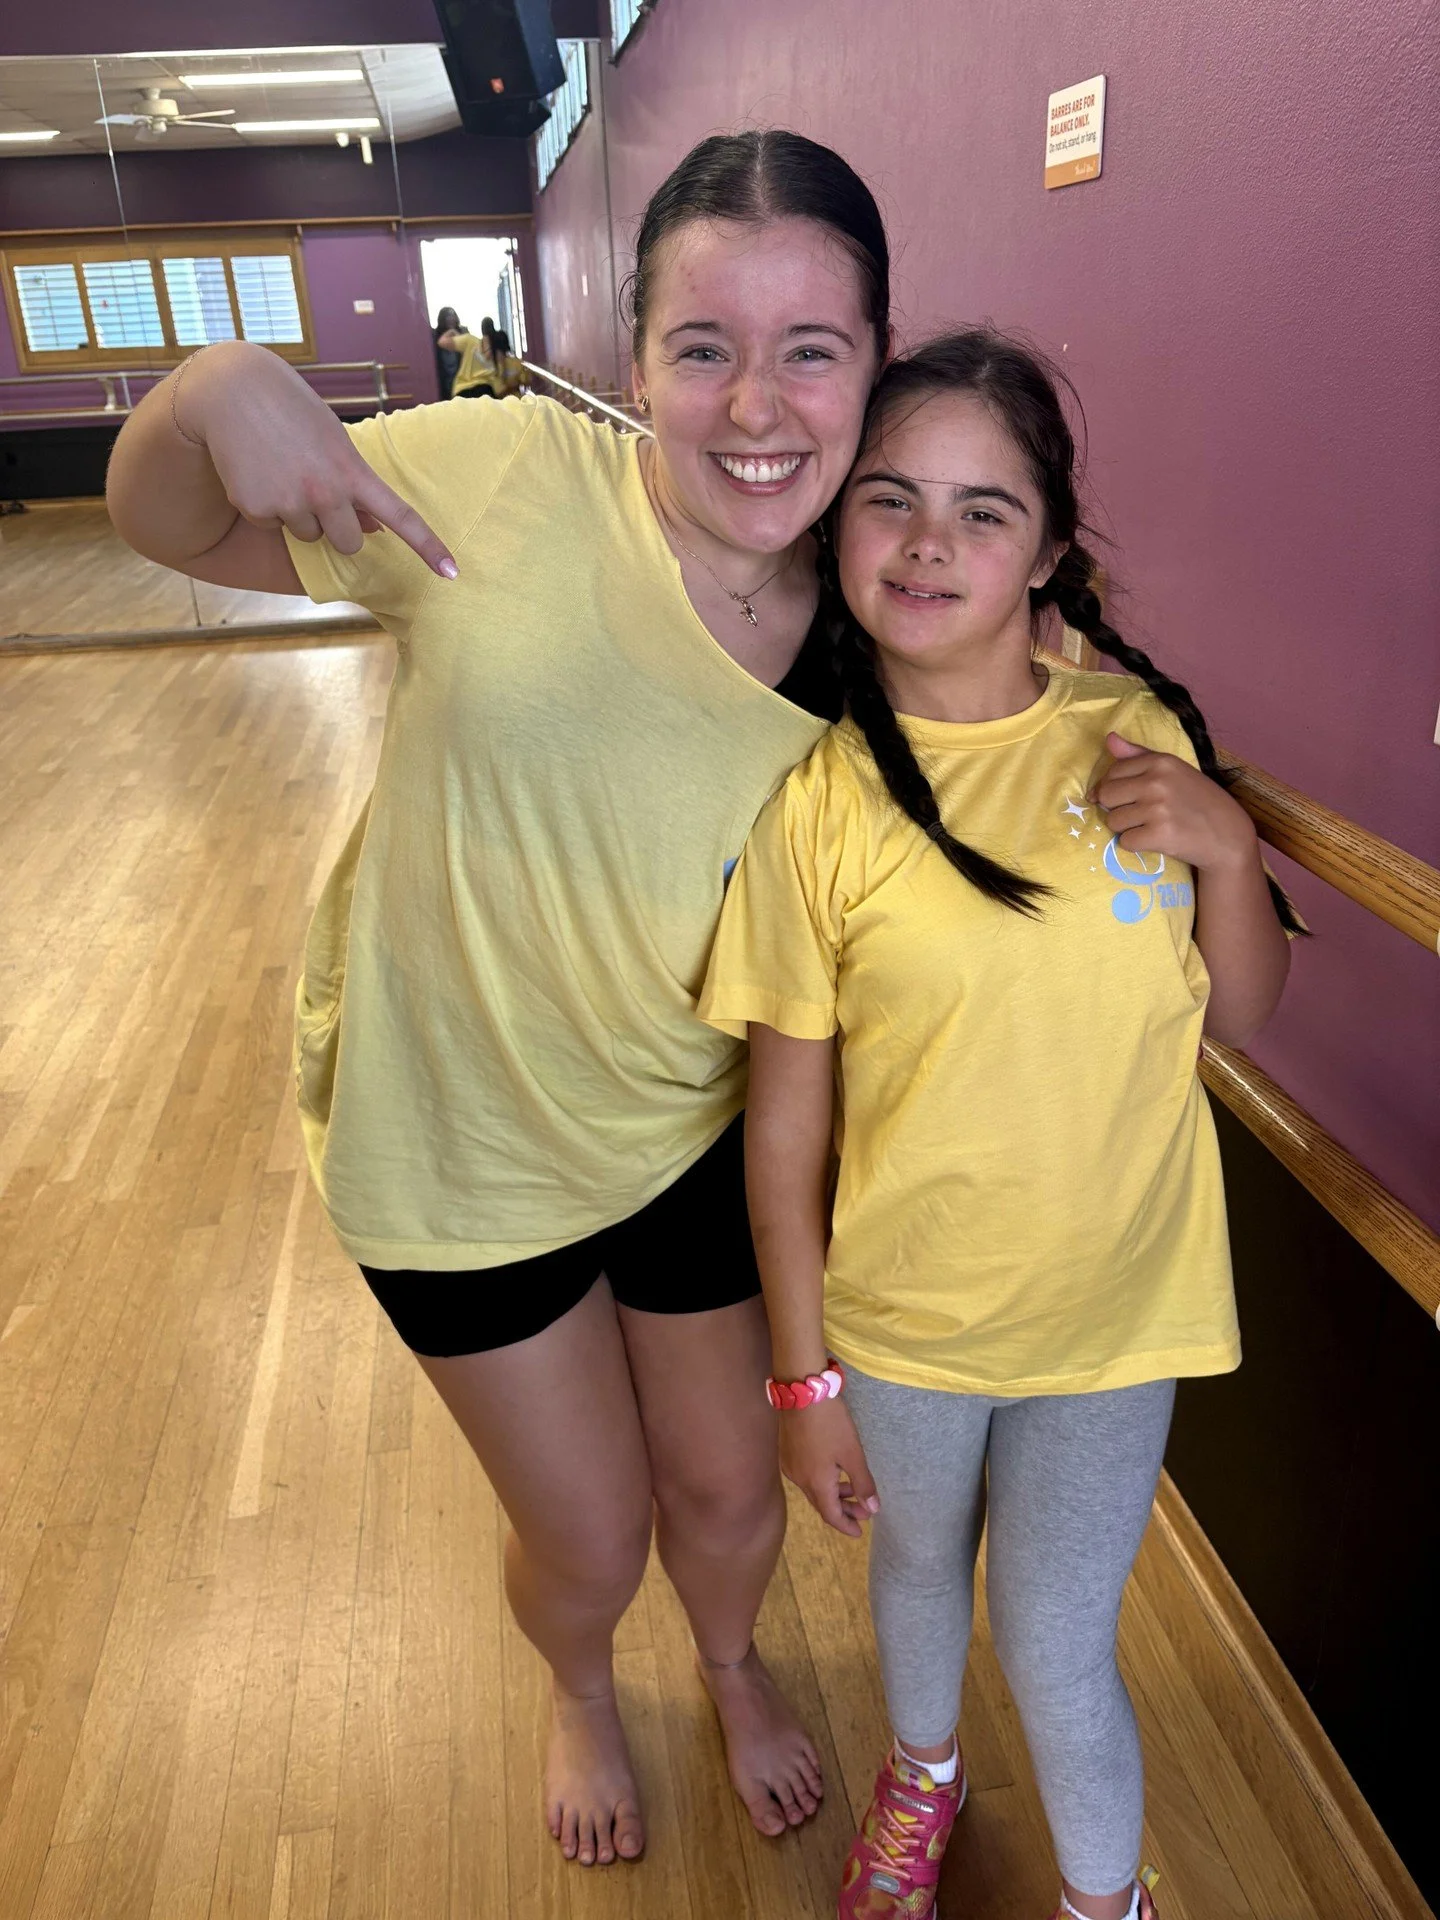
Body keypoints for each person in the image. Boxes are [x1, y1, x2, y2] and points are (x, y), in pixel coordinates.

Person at [105, 131, 887, 1871]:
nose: (757, 402)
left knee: (731, 1506)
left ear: (874, 370)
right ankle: (586, 1683)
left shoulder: (882, 605)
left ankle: (737, 1660)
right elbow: (166, 520)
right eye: (704, 346)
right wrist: (212, 391)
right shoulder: (502, 474)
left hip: (691, 1134)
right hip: (453, 1146)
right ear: (633, 363)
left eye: (812, 349)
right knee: (592, 1540)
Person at [699, 331, 1299, 1920]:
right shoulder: (819, 806)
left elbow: (1235, 1018)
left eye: (981, 511)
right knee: (910, 1577)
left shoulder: (1135, 746)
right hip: (903, 1322)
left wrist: (1232, 856)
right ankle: (924, 1778)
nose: (927, 542)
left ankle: (1109, 1903)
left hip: (1114, 1320)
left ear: (1047, 552)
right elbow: (782, 1137)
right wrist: (804, 1375)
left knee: (1054, 1639)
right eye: (889, 500)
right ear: (837, 531)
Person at [439, 313, 521, 399]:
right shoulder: (498, 361)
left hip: (461, 392)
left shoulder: (470, 340)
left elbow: (441, 342)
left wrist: (452, 331)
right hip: (484, 392)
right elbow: (499, 390)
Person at [432, 305, 463, 400]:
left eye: (453, 316)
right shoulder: (435, 335)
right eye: (448, 316)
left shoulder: (461, 333)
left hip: (460, 376)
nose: (451, 319)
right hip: (443, 377)